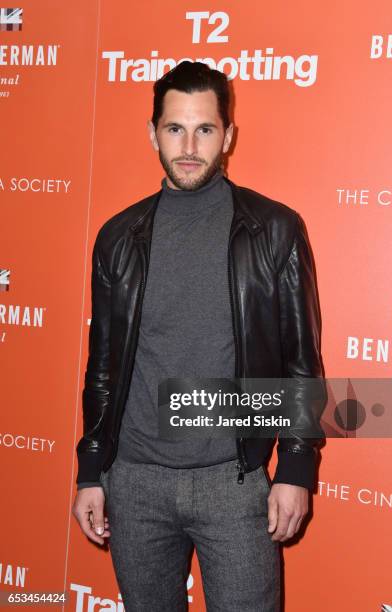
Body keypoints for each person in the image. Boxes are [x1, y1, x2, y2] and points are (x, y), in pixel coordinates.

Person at [72, 60, 326, 612]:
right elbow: (102, 366)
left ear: (228, 135)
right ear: (152, 133)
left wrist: (297, 467)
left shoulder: (275, 229)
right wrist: (92, 469)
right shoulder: (117, 238)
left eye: (205, 129)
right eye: (175, 128)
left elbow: (302, 362)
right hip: (134, 484)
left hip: (233, 485)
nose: (189, 145)